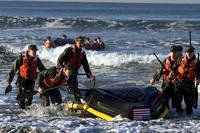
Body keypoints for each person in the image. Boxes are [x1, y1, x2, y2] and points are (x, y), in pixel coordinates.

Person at [57, 36, 95, 102]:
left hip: (74, 72)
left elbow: (85, 65)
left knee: (75, 86)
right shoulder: (69, 50)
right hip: (67, 72)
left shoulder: (82, 53)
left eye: (82, 42)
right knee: (71, 87)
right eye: (79, 42)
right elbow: (60, 59)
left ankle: (76, 100)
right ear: (76, 42)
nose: (81, 44)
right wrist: (62, 69)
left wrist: (89, 75)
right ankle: (69, 101)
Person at [6, 44, 46, 109]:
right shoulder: (21, 58)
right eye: (33, 51)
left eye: (36, 51)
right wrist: (9, 82)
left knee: (29, 102)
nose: (35, 52)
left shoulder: (37, 59)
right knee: (21, 101)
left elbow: (43, 71)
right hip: (21, 80)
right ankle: (21, 116)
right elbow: (13, 70)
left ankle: (28, 116)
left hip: (30, 81)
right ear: (29, 51)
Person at [149, 45, 181, 112]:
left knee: (177, 103)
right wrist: (154, 78)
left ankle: (180, 118)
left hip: (177, 84)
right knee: (165, 100)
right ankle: (167, 114)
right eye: (172, 52)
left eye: (174, 52)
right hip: (167, 83)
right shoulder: (165, 61)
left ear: (178, 53)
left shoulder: (181, 61)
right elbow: (160, 70)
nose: (173, 54)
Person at [175, 46, 199, 115]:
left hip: (190, 84)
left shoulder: (197, 62)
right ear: (185, 53)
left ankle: (189, 119)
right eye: (187, 53)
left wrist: (198, 79)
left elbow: (199, 73)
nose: (189, 54)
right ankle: (179, 115)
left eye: (191, 53)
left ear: (193, 53)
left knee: (189, 104)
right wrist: (172, 74)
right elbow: (174, 68)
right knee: (177, 101)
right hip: (179, 83)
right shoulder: (180, 59)